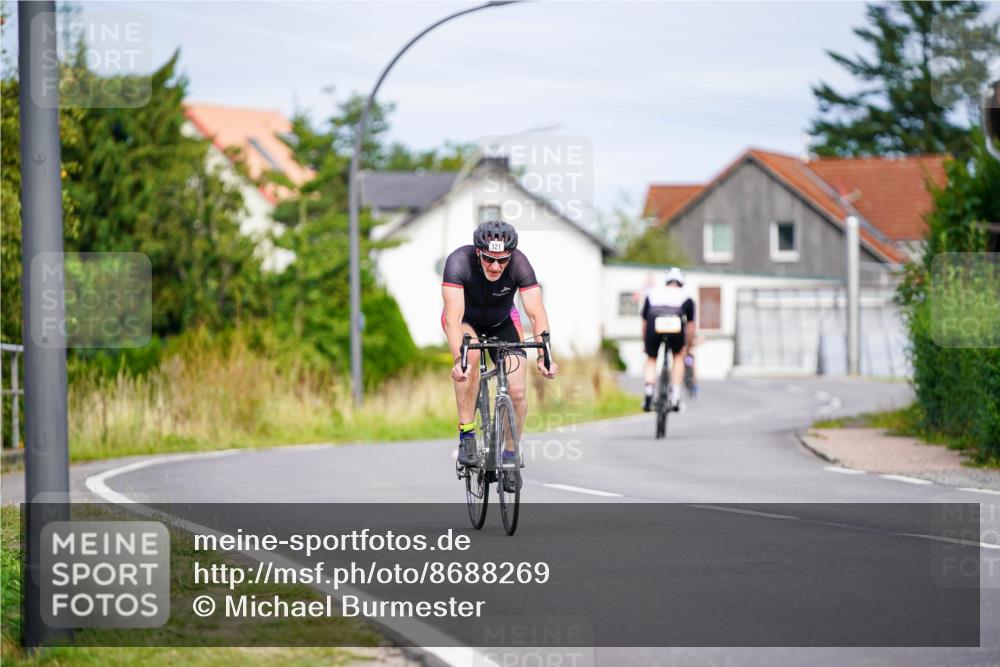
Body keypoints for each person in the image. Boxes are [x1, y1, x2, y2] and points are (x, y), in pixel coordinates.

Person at [441, 220, 559, 468]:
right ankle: (467, 435)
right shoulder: (458, 261)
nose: (496, 266)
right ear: (477, 252)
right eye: (488, 259)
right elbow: (452, 318)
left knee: (516, 391)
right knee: (469, 360)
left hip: (502, 321)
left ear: (511, 256)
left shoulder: (520, 264)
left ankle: (510, 449)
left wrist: (544, 356)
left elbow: (537, 313)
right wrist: (457, 360)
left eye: (502, 260)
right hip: (465, 320)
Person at [641, 267, 696, 412]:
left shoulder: (652, 293)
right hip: (675, 322)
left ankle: (649, 391)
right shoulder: (687, 296)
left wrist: (645, 343)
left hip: (654, 321)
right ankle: (675, 395)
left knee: (652, 359)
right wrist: (688, 346)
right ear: (681, 283)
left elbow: (644, 323)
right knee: (678, 356)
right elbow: (691, 327)